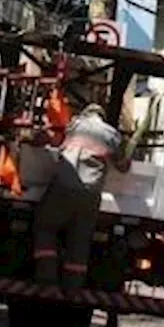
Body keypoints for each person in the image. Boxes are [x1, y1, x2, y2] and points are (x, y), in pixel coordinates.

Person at [33, 104, 122, 290]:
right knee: (80, 239)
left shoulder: (75, 125)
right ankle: (73, 286)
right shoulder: (111, 134)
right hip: (90, 193)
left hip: (64, 186)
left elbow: (53, 143)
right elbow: (122, 165)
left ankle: (47, 276)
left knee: (45, 226)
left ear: (85, 114)